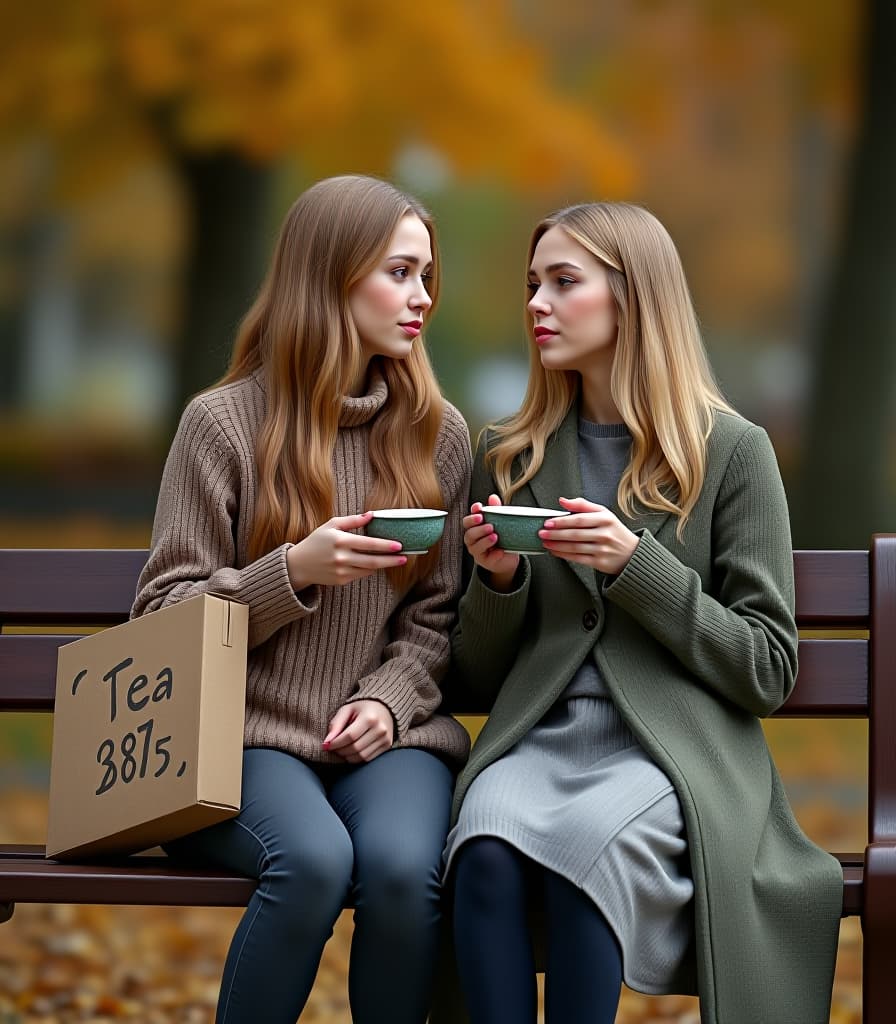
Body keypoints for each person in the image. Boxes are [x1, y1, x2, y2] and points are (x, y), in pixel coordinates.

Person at [441, 202, 842, 1024]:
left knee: (586, 852)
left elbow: (767, 667)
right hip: (537, 742)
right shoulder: (509, 453)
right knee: (479, 847)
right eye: (531, 284)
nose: (536, 305)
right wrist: (500, 583)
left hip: (671, 755)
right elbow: (474, 677)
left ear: (633, 300)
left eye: (563, 282)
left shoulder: (731, 453)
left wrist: (637, 566)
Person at [131, 174, 472, 1024]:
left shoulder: (440, 435)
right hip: (238, 737)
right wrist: (294, 573)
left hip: (386, 741)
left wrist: (391, 703)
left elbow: (436, 617)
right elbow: (161, 618)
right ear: (330, 275)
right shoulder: (222, 426)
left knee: (403, 871)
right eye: (399, 272)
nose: (421, 296)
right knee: (313, 861)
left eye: (427, 275)